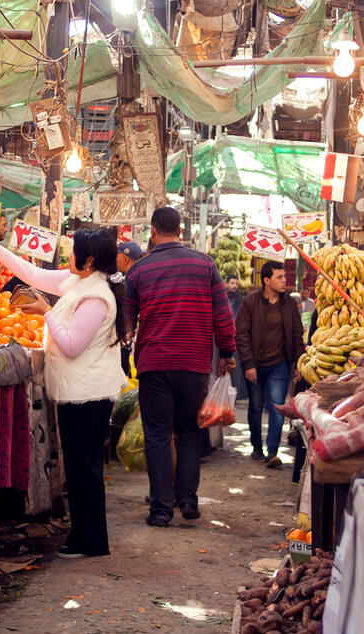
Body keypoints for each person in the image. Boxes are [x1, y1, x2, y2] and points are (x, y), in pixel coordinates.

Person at [0, 228, 127, 559]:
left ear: (89, 261)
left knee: (84, 468)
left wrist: (47, 312)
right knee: (77, 467)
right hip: (76, 391)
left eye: (73, 253)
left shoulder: (96, 297)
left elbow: (72, 346)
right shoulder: (80, 282)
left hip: (88, 395)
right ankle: (83, 535)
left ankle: (92, 541)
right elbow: (36, 274)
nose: (67, 258)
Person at [125, 207, 236, 528]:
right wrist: (226, 352)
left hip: (154, 364)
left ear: (153, 231)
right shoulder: (205, 264)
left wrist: (125, 342)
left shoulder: (139, 270)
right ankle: (187, 500)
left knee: (157, 437)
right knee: (189, 432)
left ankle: (161, 510)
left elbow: (127, 320)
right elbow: (223, 314)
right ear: (180, 229)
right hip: (194, 364)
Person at [235, 260, 305, 468]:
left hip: (279, 364)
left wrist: (299, 364)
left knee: (277, 407)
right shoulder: (250, 303)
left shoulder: (290, 303)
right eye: (280, 277)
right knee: (255, 407)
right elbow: (242, 335)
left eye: (285, 276)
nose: (285, 281)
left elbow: (297, 334)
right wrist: (248, 364)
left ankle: (272, 450)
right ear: (267, 280)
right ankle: (256, 446)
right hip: (255, 363)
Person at [116, 242, 143, 376]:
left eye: (117, 255)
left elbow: (128, 312)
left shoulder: (130, 280)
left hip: (131, 342)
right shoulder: (138, 276)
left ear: (126, 258)